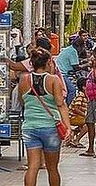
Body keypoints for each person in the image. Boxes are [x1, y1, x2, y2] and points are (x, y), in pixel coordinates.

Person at [19, 48, 70, 186]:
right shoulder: (53, 80)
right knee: (52, 168)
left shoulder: (24, 80)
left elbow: (22, 101)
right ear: (49, 62)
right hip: (50, 128)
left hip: (29, 127)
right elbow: (61, 104)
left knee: (32, 167)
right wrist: (68, 127)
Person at [56, 38, 88, 105]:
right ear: (79, 46)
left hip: (61, 72)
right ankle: (70, 106)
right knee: (72, 90)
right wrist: (87, 64)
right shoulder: (73, 51)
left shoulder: (69, 49)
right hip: (63, 74)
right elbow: (76, 67)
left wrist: (84, 61)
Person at [67, 78, 88, 148]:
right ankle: (76, 140)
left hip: (75, 116)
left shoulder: (84, 95)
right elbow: (76, 108)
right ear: (84, 87)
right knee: (88, 124)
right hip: (72, 117)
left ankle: (71, 137)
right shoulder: (81, 95)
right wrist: (85, 115)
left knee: (83, 125)